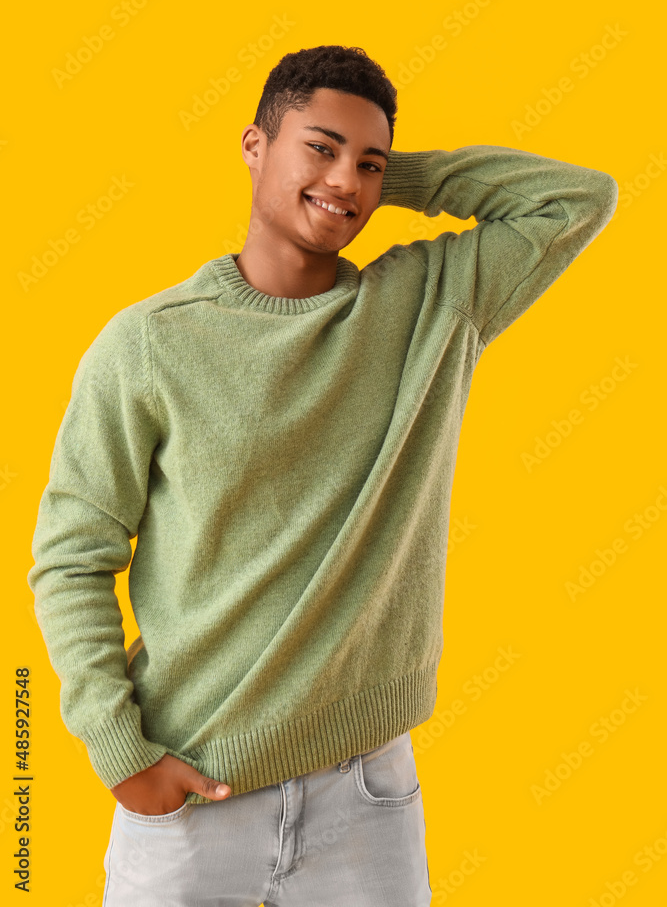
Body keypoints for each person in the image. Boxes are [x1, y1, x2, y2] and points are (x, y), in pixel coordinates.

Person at [27, 44, 618, 906]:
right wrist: (120, 750)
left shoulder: (429, 305)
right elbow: (71, 557)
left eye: (366, 162)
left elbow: (576, 199)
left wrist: (382, 174)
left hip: (369, 796)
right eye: (319, 146)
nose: (344, 180)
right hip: (194, 785)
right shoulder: (150, 344)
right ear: (253, 145)